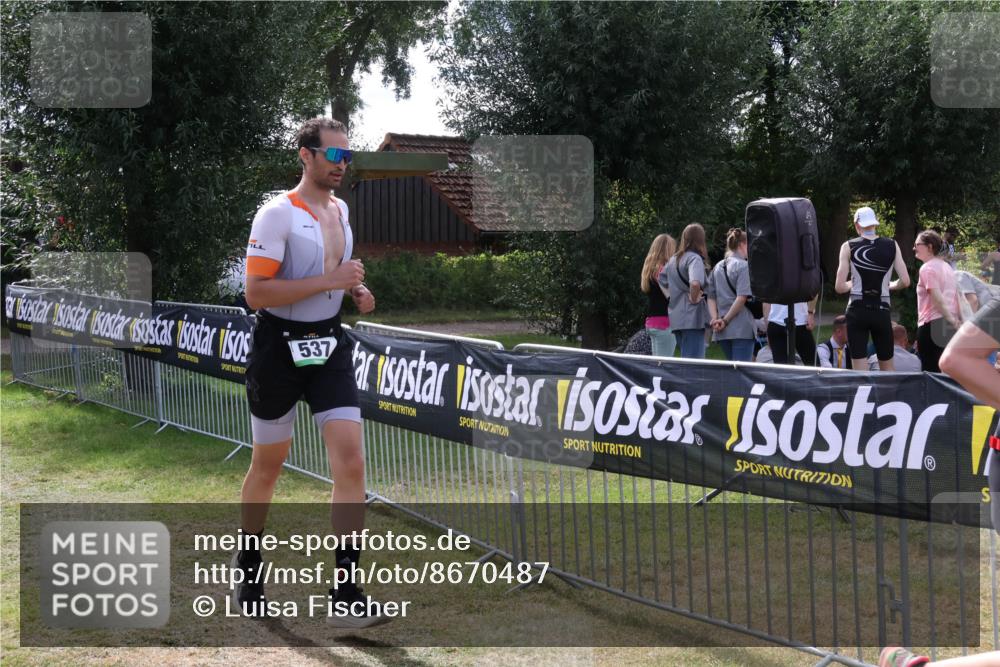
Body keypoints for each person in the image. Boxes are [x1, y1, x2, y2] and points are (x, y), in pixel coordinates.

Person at [235, 117, 388, 627]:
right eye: (335, 156)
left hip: (329, 345)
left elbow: (332, 276)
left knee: (351, 462)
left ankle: (346, 593)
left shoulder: (342, 210)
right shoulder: (275, 215)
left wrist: (352, 291)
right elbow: (256, 294)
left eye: (349, 156)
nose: (344, 165)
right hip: (278, 348)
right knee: (268, 467)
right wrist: (332, 278)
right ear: (306, 155)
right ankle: (249, 562)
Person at [834, 206, 911, 370]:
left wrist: (852, 283)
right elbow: (905, 281)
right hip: (881, 310)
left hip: (857, 310)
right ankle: (889, 396)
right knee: (888, 370)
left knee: (859, 372)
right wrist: (889, 285)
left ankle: (862, 396)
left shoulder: (848, 246)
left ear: (857, 225)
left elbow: (839, 287)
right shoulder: (892, 245)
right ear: (875, 224)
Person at [915, 230, 962, 372]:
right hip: (948, 326)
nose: (914, 248)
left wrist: (951, 320)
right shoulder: (947, 267)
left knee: (931, 373)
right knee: (947, 374)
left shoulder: (927, 268)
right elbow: (955, 297)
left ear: (929, 247)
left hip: (932, 326)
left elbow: (937, 298)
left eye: (917, 244)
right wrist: (955, 321)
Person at [707, 228, 756, 361]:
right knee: (742, 372)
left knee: (732, 371)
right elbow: (741, 298)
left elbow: (711, 297)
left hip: (722, 331)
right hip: (740, 327)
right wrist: (725, 321)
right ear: (742, 245)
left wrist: (715, 319)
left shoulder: (717, 267)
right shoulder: (743, 266)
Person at [665, 223, 710, 359]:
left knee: (686, 359)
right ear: (701, 239)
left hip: (676, 317)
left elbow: (660, 279)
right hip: (692, 318)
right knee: (694, 364)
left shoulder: (673, 260)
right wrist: (694, 297)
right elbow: (695, 283)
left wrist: (670, 297)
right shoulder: (694, 258)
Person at [640, 233, 677, 357]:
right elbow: (673, 295)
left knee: (657, 365)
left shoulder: (650, 270)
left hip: (652, 321)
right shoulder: (664, 270)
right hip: (665, 323)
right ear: (668, 249)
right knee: (664, 366)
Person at [763, 299, 818, 366]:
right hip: (794, 321)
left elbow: (766, 301)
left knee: (781, 369)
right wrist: (810, 313)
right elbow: (814, 292)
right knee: (814, 366)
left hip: (780, 321)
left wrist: (810, 313)